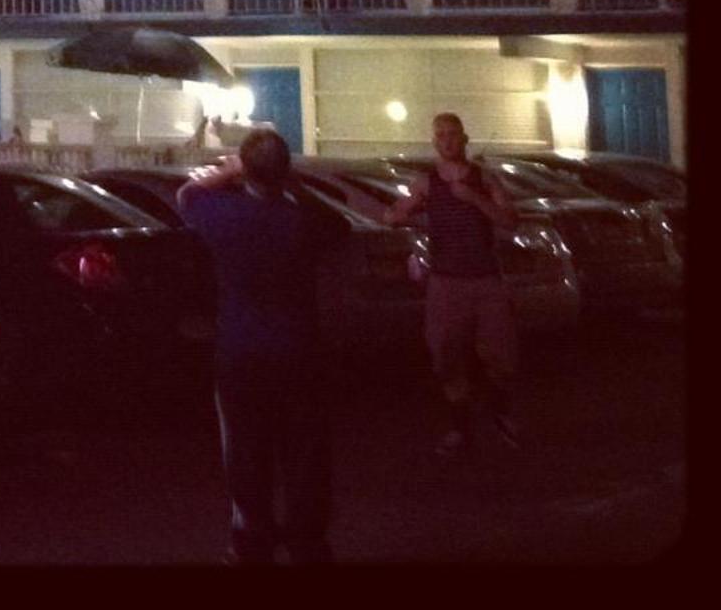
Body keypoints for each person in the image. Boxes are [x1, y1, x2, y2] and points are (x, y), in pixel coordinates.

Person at [179, 126, 346, 565]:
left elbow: (187, 195)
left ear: (244, 169)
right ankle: (307, 541)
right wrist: (288, 182)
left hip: (241, 351)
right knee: (305, 451)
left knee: (246, 451)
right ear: (286, 169)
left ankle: (253, 539)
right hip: (299, 350)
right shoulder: (302, 221)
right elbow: (339, 224)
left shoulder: (225, 215)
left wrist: (228, 170)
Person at [386, 111, 520, 455]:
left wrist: (474, 198)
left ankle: (501, 415)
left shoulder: (484, 179)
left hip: (485, 279)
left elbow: (510, 222)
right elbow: (395, 214)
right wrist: (400, 214)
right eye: (440, 135)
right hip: (447, 282)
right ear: (434, 142)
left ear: (464, 139)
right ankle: (460, 428)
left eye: (452, 134)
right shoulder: (427, 183)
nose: (447, 140)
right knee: (446, 353)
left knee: (499, 355)